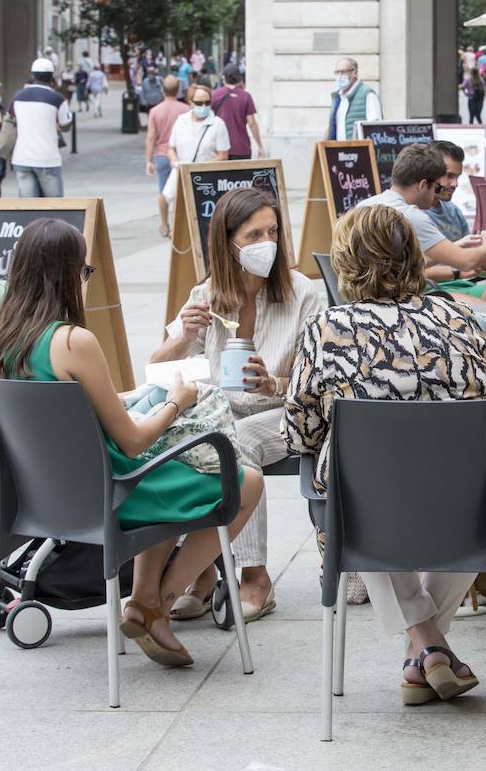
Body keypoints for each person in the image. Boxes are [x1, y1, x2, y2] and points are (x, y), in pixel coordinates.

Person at [0, 218, 263, 666]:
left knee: (168, 470)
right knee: (245, 483)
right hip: (107, 495)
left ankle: (144, 599)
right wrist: (177, 404)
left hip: (36, 499)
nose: (85, 281)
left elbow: (69, 410)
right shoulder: (73, 341)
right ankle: (158, 604)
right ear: (67, 274)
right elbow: (130, 443)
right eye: (85, 272)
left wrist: (127, 400)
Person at [283, 203, 486, 704]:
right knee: (484, 477)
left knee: (352, 487)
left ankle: (423, 646)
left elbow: (300, 432)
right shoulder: (463, 320)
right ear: (412, 258)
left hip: (370, 515)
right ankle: (431, 649)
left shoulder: (326, 330)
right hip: (470, 511)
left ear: (346, 261)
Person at [151, 188, 325, 622]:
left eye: (272, 232)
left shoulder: (305, 294)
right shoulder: (206, 295)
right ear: (227, 243)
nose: (266, 243)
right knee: (176, 439)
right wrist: (182, 336)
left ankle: (253, 576)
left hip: (287, 413)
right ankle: (204, 572)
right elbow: (157, 367)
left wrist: (273, 384)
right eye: (253, 235)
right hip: (224, 410)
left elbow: (320, 385)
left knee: (236, 443)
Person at [357, 143, 486, 285]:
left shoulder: (362, 207)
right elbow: (466, 262)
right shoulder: (410, 215)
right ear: (423, 185)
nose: (436, 194)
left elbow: (401, 267)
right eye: (436, 187)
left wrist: (456, 246)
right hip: (395, 302)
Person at [160, 84, 230, 235]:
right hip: (180, 169)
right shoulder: (181, 120)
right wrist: (173, 160)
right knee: (165, 197)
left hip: (206, 175)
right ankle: (167, 227)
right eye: (199, 103)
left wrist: (200, 167)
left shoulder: (217, 124)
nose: (203, 106)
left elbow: (223, 156)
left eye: (207, 102)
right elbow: (171, 147)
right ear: (191, 102)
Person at [10, 57, 74, 198]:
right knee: (54, 207)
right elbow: (65, 126)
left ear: (32, 75)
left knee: (28, 208)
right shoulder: (57, 99)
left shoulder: (18, 96)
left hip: (22, 157)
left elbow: (12, 119)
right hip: (47, 158)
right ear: (51, 76)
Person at [212, 65, 264, 160]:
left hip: (219, 148)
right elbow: (251, 123)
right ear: (240, 79)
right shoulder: (246, 96)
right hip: (241, 147)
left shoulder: (215, 94)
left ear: (224, 78)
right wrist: (260, 146)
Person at [424, 140, 472, 244]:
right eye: (449, 175)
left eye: (457, 177)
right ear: (429, 172)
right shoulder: (413, 214)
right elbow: (419, 260)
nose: (455, 184)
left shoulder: (454, 211)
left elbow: (470, 251)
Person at [329, 57, 382, 140]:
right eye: (337, 72)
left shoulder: (368, 94)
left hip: (359, 150)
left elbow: (376, 127)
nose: (339, 76)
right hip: (340, 150)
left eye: (343, 72)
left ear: (355, 72)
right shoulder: (337, 98)